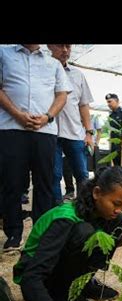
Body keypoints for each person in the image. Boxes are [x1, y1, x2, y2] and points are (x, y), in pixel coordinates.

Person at [12, 166, 122, 301]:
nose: (118, 210)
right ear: (97, 193)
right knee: (84, 232)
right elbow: (31, 276)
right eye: (116, 204)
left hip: (62, 264)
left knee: (120, 222)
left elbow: (99, 236)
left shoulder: (101, 213)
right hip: (39, 275)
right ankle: (59, 292)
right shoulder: (65, 220)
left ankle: (83, 283)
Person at [0, 44, 71, 251]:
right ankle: (13, 233)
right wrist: (17, 114)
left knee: (45, 182)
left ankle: (40, 232)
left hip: (44, 130)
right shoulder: (3, 52)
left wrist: (48, 117)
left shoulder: (53, 63)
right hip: (11, 127)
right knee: (11, 182)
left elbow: (61, 95)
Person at [48, 44, 94, 206]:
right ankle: (57, 210)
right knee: (54, 175)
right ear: (49, 46)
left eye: (68, 46)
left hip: (74, 132)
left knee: (82, 174)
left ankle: (84, 208)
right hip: (49, 132)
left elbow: (83, 105)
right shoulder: (44, 69)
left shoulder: (78, 75)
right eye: (60, 46)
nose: (65, 50)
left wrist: (89, 132)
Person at [105, 93, 122, 168]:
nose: (108, 104)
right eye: (107, 102)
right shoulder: (111, 115)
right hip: (114, 145)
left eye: (110, 101)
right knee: (116, 165)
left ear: (117, 101)